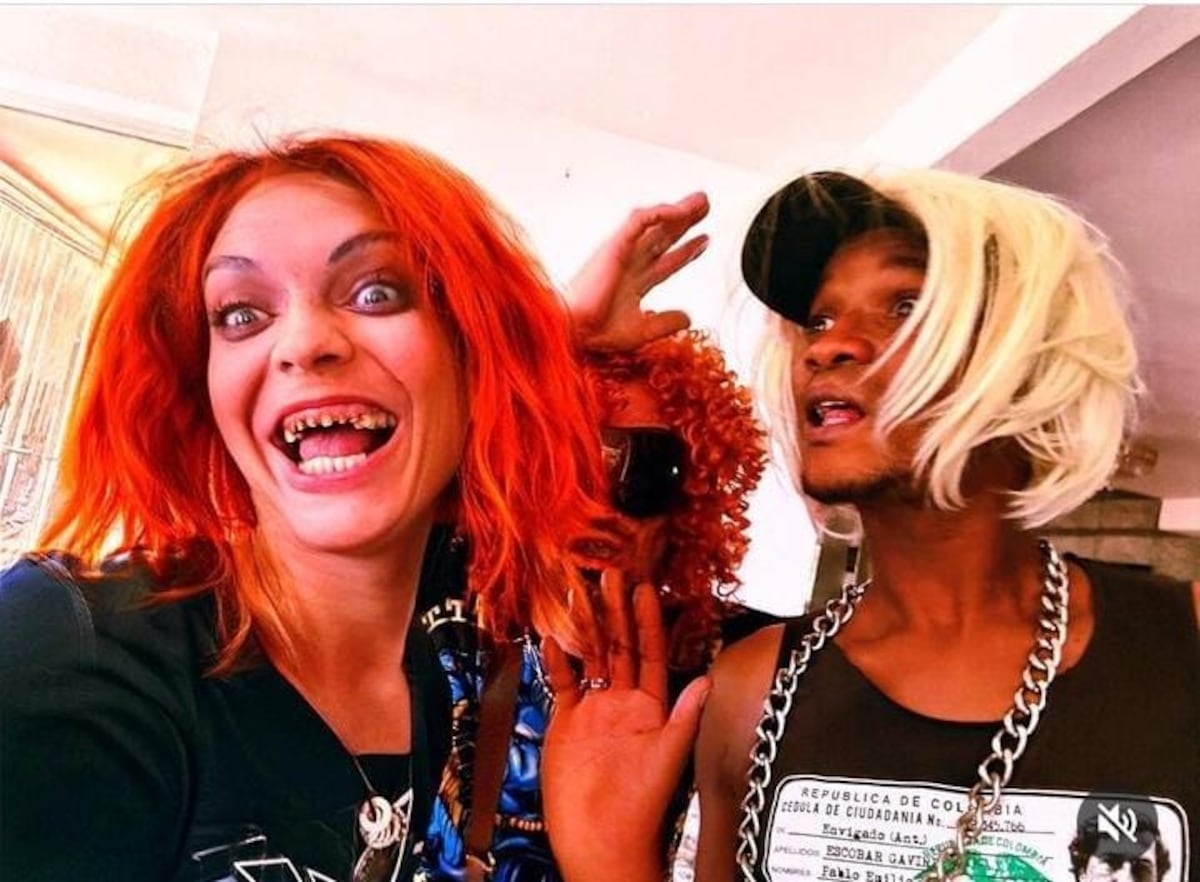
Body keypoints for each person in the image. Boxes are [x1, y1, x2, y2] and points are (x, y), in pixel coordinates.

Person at [541, 169, 1198, 882]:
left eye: (905, 305)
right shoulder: (751, 689)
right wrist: (610, 862)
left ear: (1028, 359)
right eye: (819, 320)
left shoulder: (1184, 644)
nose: (826, 348)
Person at [0, 134, 618, 882]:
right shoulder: (71, 649)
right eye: (240, 314)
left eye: (376, 292)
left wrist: (546, 344)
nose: (302, 343)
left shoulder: (450, 655)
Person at [418, 329, 769, 882]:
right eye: (567, 462)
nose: (599, 504)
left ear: (691, 500)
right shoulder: (440, 604)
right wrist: (539, 342)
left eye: (646, 471)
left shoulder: (756, 673)